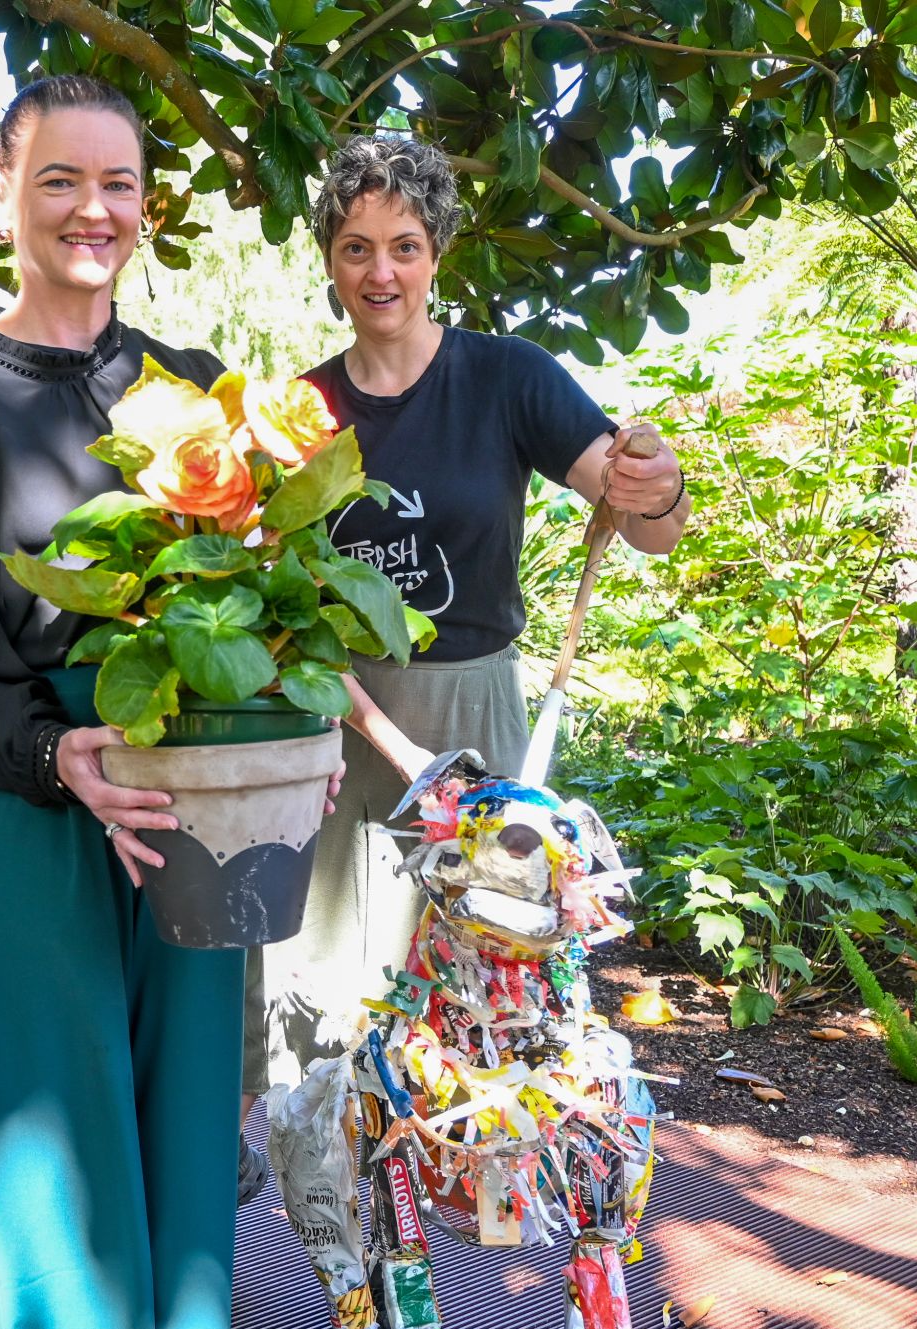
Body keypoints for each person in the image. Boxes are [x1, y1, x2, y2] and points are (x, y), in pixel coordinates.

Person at [0, 75, 332, 1329]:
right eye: (59, 180)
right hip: (29, 800)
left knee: (189, 1101)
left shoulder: (193, 388)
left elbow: (273, 597)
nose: (92, 209)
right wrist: (48, 753)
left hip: (201, 784)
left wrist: (302, 731)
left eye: (117, 183)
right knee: (57, 1112)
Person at [242, 132, 691, 1112]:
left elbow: (643, 521)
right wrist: (375, 733)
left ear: (435, 250)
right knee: (325, 1004)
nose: (379, 270)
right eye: (355, 246)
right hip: (337, 722)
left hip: (473, 722)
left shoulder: (506, 377)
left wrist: (656, 486)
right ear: (327, 257)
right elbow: (277, 607)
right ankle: (338, 1218)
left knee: (473, 998)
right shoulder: (301, 411)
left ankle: (459, 1212)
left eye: (402, 244)